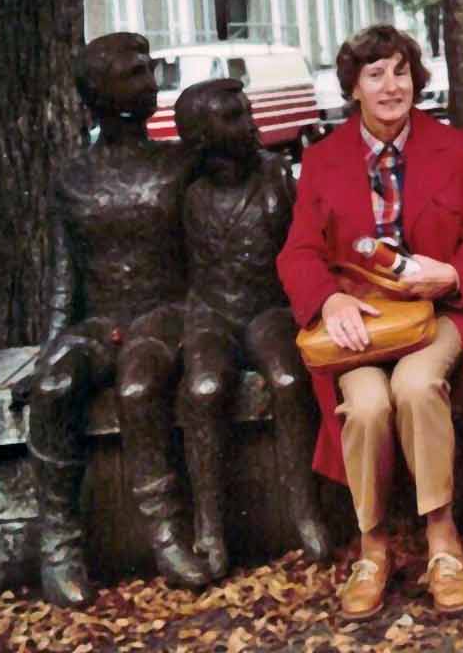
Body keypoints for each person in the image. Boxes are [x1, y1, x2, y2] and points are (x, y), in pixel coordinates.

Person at [277, 26, 463, 620]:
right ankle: (373, 546)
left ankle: (442, 540)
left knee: (417, 386)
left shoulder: (451, 147)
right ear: (353, 87)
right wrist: (330, 301)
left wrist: (450, 274)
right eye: (375, 74)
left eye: (401, 71)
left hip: (437, 313)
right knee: (368, 404)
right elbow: (298, 252)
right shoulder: (322, 159)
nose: (391, 86)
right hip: (362, 322)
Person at [28, 33, 209, 604]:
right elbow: (64, 277)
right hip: (99, 322)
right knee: (54, 387)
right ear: (98, 93)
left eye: (148, 69)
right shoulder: (71, 179)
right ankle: (59, 547)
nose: (149, 82)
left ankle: (167, 536)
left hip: (168, 313)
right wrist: (52, 349)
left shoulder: (180, 164)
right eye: (134, 73)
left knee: (138, 381)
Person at [175, 78, 331, 579]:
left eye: (246, 110)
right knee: (203, 388)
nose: (250, 122)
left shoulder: (276, 175)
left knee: (288, 379)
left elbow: (306, 245)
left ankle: (304, 510)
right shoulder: (186, 192)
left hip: (269, 308)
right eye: (234, 117)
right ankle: (209, 527)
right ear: (202, 136)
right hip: (211, 314)